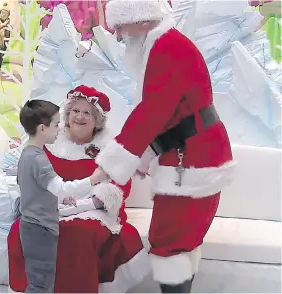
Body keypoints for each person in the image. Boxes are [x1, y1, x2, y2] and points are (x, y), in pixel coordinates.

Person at [92, 0, 236, 292]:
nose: (118, 36)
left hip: (192, 160)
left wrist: (109, 166)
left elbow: (152, 112)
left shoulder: (168, 48)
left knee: (169, 242)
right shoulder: (167, 45)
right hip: (197, 154)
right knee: (181, 243)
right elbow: (170, 114)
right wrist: (144, 157)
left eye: (121, 27)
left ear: (143, 20)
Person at [8, 85, 150, 293]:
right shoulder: (48, 141)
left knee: (79, 234)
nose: (80, 117)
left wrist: (86, 203)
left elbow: (118, 188)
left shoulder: (109, 147)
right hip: (53, 203)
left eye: (87, 112)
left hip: (95, 208)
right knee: (22, 230)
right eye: (75, 111)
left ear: (97, 119)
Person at [17, 99, 109, 293]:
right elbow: (61, 188)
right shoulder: (39, 160)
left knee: (39, 281)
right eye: (56, 124)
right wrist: (93, 179)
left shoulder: (28, 154)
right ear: (43, 128)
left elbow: (36, 188)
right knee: (41, 284)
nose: (60, 129)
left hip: (32, 225)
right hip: (41, 228)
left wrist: (57, 198)